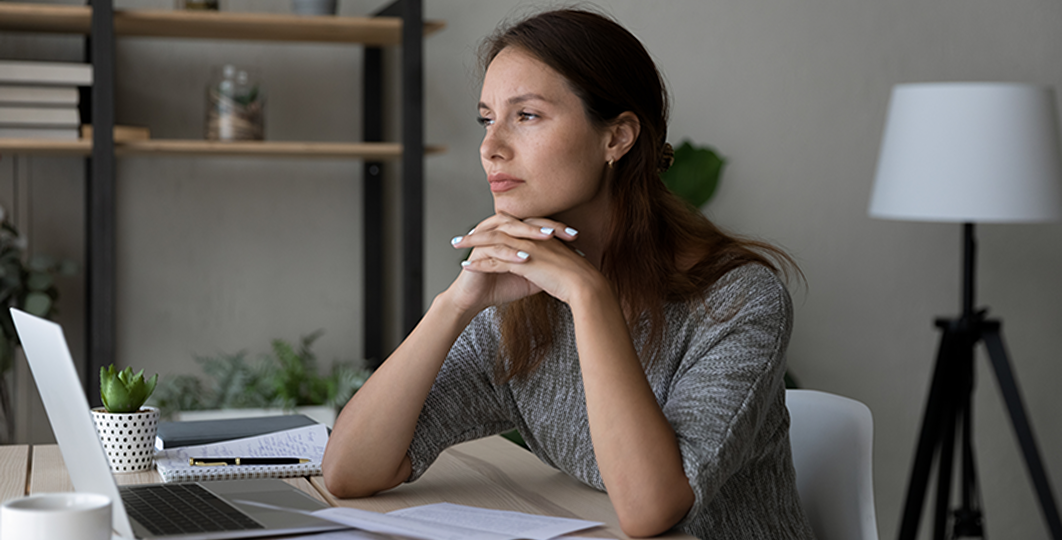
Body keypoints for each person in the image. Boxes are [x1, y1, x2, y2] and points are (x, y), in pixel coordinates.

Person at [322, 8, 814, 539]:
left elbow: (652, 510)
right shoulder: (518, 303)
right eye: (487, 119)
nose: (491, 147)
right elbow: (349, 471)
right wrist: (455, 303)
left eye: (526, 116)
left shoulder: (738, 300)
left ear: (617, 138)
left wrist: (587, 294)